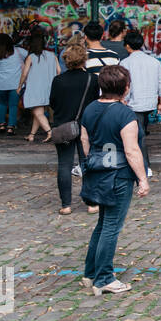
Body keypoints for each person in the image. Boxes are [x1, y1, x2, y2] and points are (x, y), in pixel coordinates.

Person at [78, 64, 147, 295]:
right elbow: (132, 150)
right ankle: (104, 278)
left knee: (102, 224)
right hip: (118, 175)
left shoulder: (89, 109)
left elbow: (85, 143)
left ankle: (90, 273)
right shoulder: (125, 114)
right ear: (125, 88)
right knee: (111, 227)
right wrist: (143, 179)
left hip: (97, 173)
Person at [50, 40, 99, 215]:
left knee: (64, 165)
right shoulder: (92, 79)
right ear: (84, 59)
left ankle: (66, 205)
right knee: (87, 164)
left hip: (63, 127)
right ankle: (91, 203)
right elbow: (95, 103)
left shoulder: (58, 80)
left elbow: (53, 103)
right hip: (86, 126)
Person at [121, 29, 161, 176]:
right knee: (140, 134)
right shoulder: (154, 61)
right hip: (150, 103)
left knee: (138, 137)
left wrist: (123, 100)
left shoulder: (125, 62)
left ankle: (144, 167)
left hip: (134, 104)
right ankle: (142, 165)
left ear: (127, 46)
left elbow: (126, 85)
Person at [18, 30, 58, 142]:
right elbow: (59, 70)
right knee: (38, 112)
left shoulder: (31, 57)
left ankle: (50, 132)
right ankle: (31, 135)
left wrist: (20, 86)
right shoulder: (52, 55)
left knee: (37, 112)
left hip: (35, 88)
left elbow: (24, 73)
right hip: (49, 88)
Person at [0, 33, 26, 135]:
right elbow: (29, 56)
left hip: (1, 84)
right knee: (13, 106)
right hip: (15, 84)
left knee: (2, 104)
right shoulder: (19, 51)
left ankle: (1, 125)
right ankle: (10, 127)